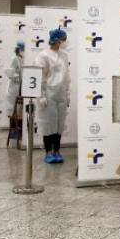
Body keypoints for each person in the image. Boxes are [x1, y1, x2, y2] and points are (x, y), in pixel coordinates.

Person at [34, 28, 70, 164]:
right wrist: (41, 96)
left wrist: (67, 94)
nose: (66, 42)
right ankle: (48, 152)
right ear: (57, 40)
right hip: (48, 94)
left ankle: (57, 151)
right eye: (64, 39)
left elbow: (67, 77)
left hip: (61, 94)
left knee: (59, 124)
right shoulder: (43, 56)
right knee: (48, 124)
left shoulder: (64, 55)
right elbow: (40, 77)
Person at [5, 41, 25, 115]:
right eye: (22, 50)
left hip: (21, 86)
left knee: (20, 107)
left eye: (24, 50)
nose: (23, 51)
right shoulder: (14, 59)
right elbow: (9, 72)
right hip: (15, 85)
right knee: (13, 107)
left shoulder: (22, 59)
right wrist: (18, 78)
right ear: (18, 50)